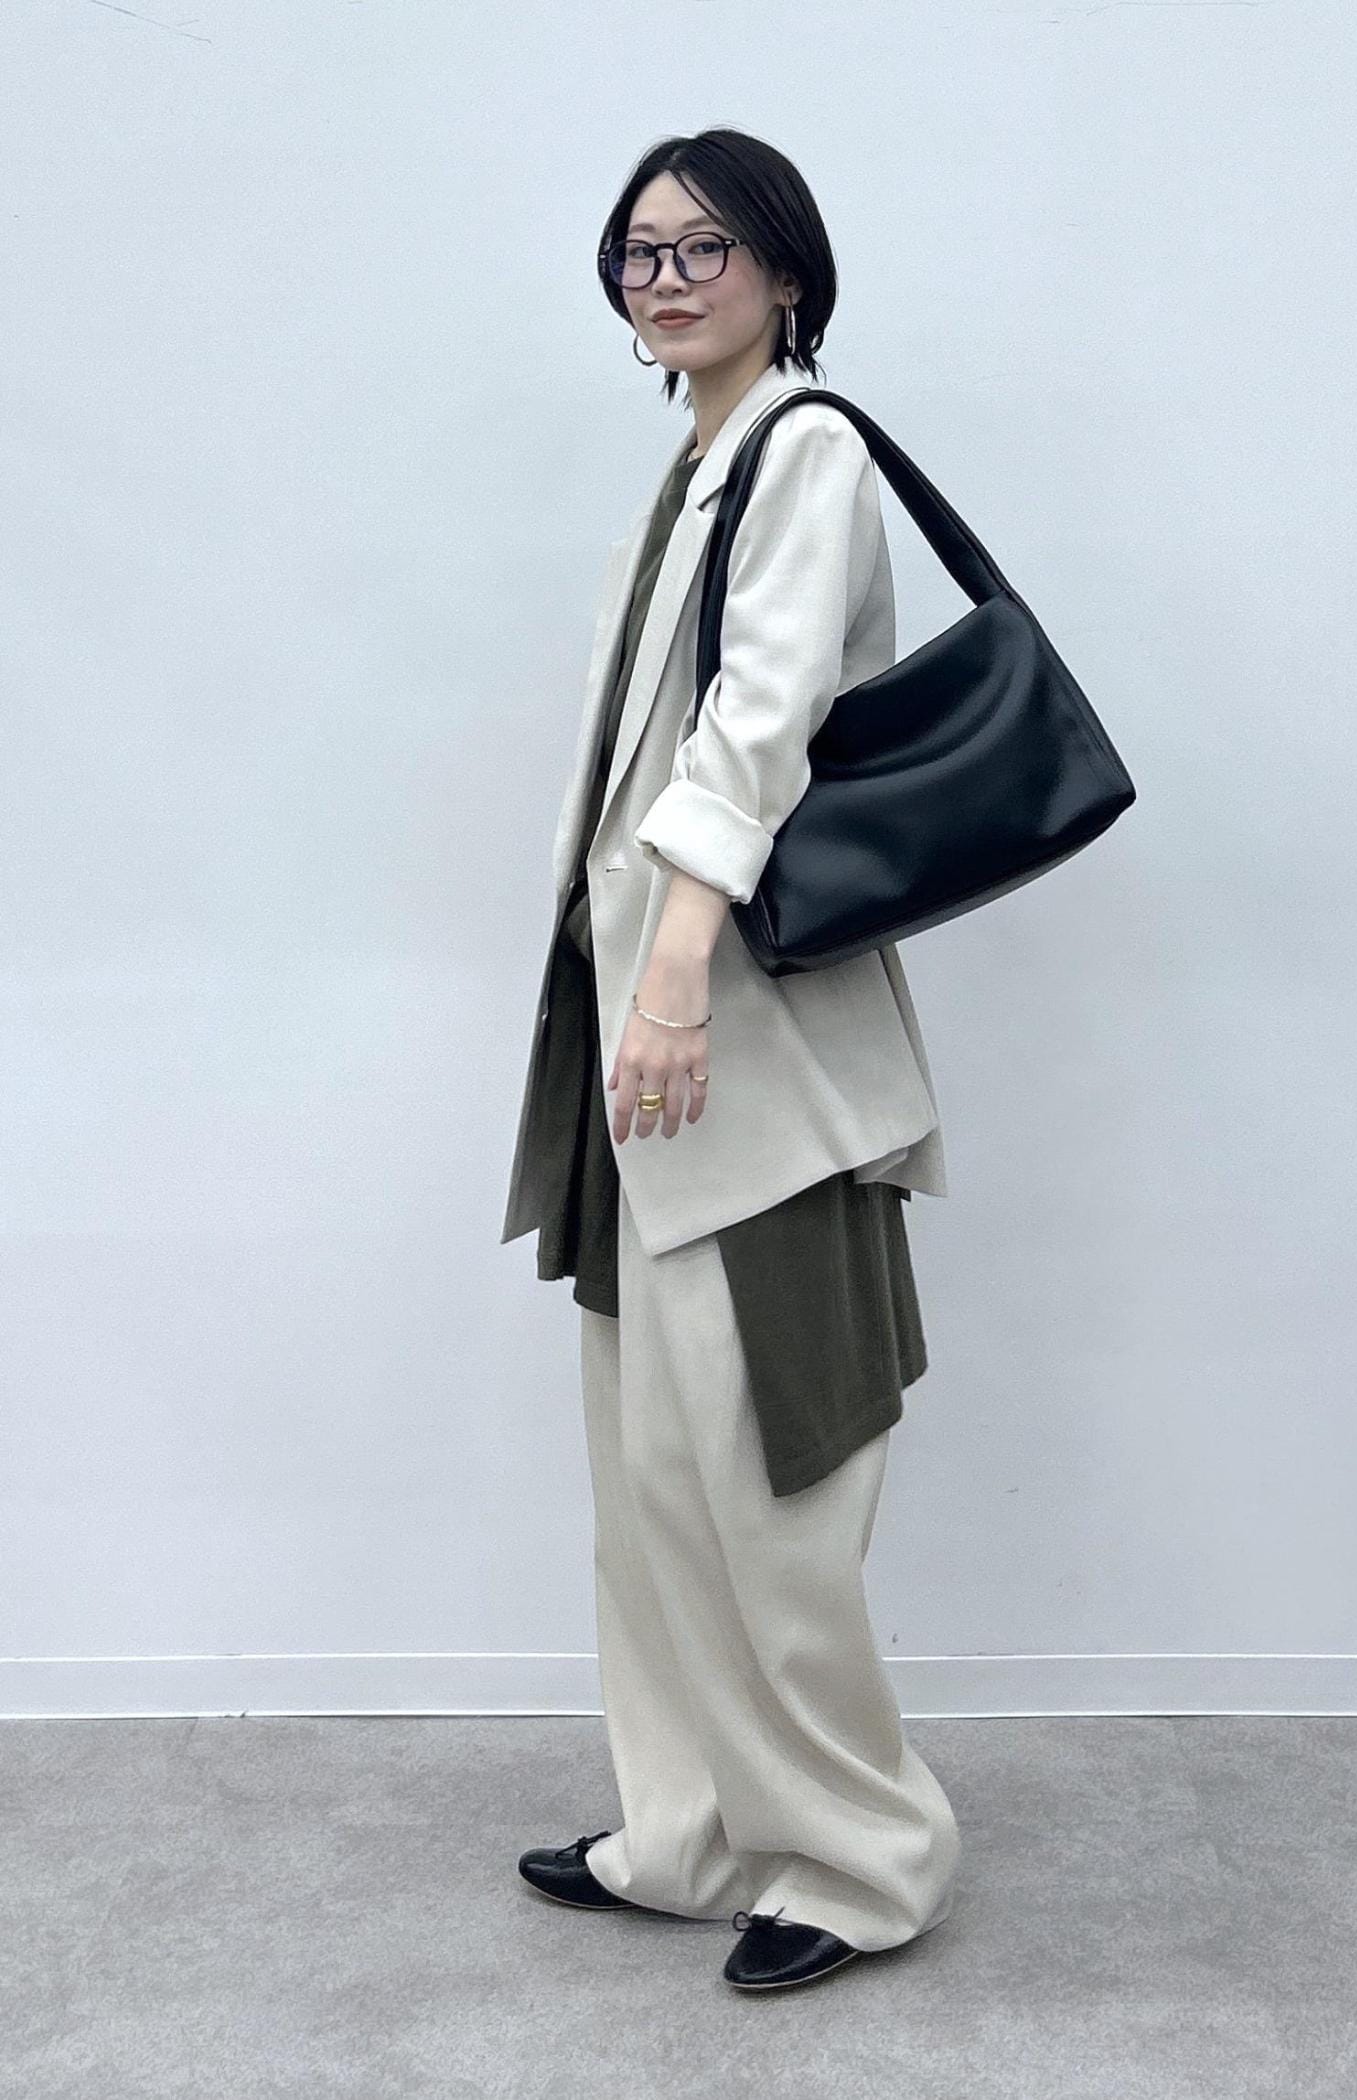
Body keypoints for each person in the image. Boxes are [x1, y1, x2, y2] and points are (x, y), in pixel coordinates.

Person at [500, 128, 961, 1993]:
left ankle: (860, 1860)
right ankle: (688, 1831)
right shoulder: (700, 458)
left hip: (742, 1063)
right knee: (652, 1479)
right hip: (646, 1060)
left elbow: (760, 727)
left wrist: (678, 973)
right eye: (642, 250)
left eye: (708, 247)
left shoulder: (806, 447)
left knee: (772, 1490)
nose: (669, 277)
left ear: (786, 270)